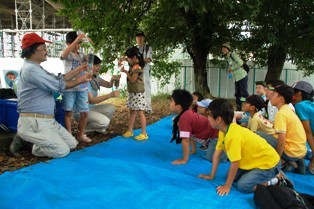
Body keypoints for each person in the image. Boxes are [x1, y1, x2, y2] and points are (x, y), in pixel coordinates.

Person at [10, 32, 91, 158]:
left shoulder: (36, 67)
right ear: (32, 51)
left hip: (47, 120)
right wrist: (80, 80)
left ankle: (38, 144)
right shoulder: (31, 70)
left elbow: (58, 79)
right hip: (35, 121)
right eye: (43, 48)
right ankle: (30, 142)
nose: (46, 51)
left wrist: (79, 70)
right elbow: (58, 86)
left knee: (72, 143)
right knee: (62, 151)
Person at [198, 99, 290, 194]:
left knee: (243, 186)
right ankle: (253, 174)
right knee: (229, 176)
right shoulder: (224, 130)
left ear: (218, 119)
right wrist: (211, 175)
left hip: (269, 164)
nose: (208, 118)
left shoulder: (233, 136)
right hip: (254, 161)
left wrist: (227, 186)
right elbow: (217, 154)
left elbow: (235, 163)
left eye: (209, 115)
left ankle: (276, 180)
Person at [258, 84, 307, 174]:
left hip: (291, 151)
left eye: (273, 95)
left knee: (257, 135)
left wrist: (277, 159)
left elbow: (282, 138)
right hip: (299, 150)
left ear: (281, 99)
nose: (271, 97)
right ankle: (293, 163)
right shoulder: (287, 110)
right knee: (269, 135)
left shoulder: (281, 113)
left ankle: (284, 161)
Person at [169, 89, 226, 165]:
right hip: (214, 135)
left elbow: (185, 140)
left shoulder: (184, 118)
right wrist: (193, 150)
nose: (169, 103)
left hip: (217, 136)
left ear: (178, 107)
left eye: (171, 101)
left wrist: (184, 159)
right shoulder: (186, 114)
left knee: (210, 158)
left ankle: (229, 154)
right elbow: (191, 134)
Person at [73, 55, 120, 133]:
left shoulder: (95, 77)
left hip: (90, 109)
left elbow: (108, 85)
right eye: (96, 65)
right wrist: (110, 95)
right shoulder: (84, 79)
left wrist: (112, 80)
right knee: (105, 122)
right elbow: (91, 100)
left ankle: (98, 128)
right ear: (89, 65)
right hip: (80, 112)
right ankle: (82, 128)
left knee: (111, 108)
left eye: (99, 66)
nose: (98, 67)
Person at [60, 31, 91, 143]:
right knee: (68, 112)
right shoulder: (67, 53)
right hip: (69, 87)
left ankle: (80, 134)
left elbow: (90, 60)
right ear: (68, 43)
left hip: (82, 87)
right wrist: (76, 40)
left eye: (79, 44)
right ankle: (69, 134)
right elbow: (63, 55)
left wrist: (87, 40)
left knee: (85, 112)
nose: (77, 46)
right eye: (75, 43)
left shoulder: (82, 56)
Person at [121, 46, 148, 140]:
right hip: (133, 93)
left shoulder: (137, 67)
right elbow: (124, 58)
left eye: (128, 58)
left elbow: (132, 80)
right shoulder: (133, 65)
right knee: (132, 112)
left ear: (133, 58)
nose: (127, 60)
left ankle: (144, 133)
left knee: (140, 113)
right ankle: (130, 131)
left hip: (138, 94)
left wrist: (125, 72)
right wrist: (122, 59)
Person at [291, 81, 314, 174]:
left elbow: (308, 132)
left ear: (299, 93)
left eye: (292, 92)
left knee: (311, 170)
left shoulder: (300, 106)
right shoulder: (310, 104)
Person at [221, 42, 248, 110]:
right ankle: (238, 107)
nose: (223, 50)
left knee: (243, 93)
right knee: (237, 93)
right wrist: (230, 70)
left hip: (242, 76)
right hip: (236, 78)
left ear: (228, 49)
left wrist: (231, 69)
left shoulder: (232, 54)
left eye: (224, 48)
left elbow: (240, 62)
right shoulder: (227, 58)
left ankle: (245, 106)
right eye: (222, 49)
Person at [135, 32, 153, 114]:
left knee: (146, 89)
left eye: (141, 36)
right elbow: (129, 58)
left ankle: (148, 108)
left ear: (143, 38)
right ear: (136, 38)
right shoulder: (134, 49)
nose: (139, 38)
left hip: (145, 70)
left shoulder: (148, 48)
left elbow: (148, 59)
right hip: (136, 70)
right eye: (138, 37)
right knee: (136, 89)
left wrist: (139, 60)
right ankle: (138, 107)